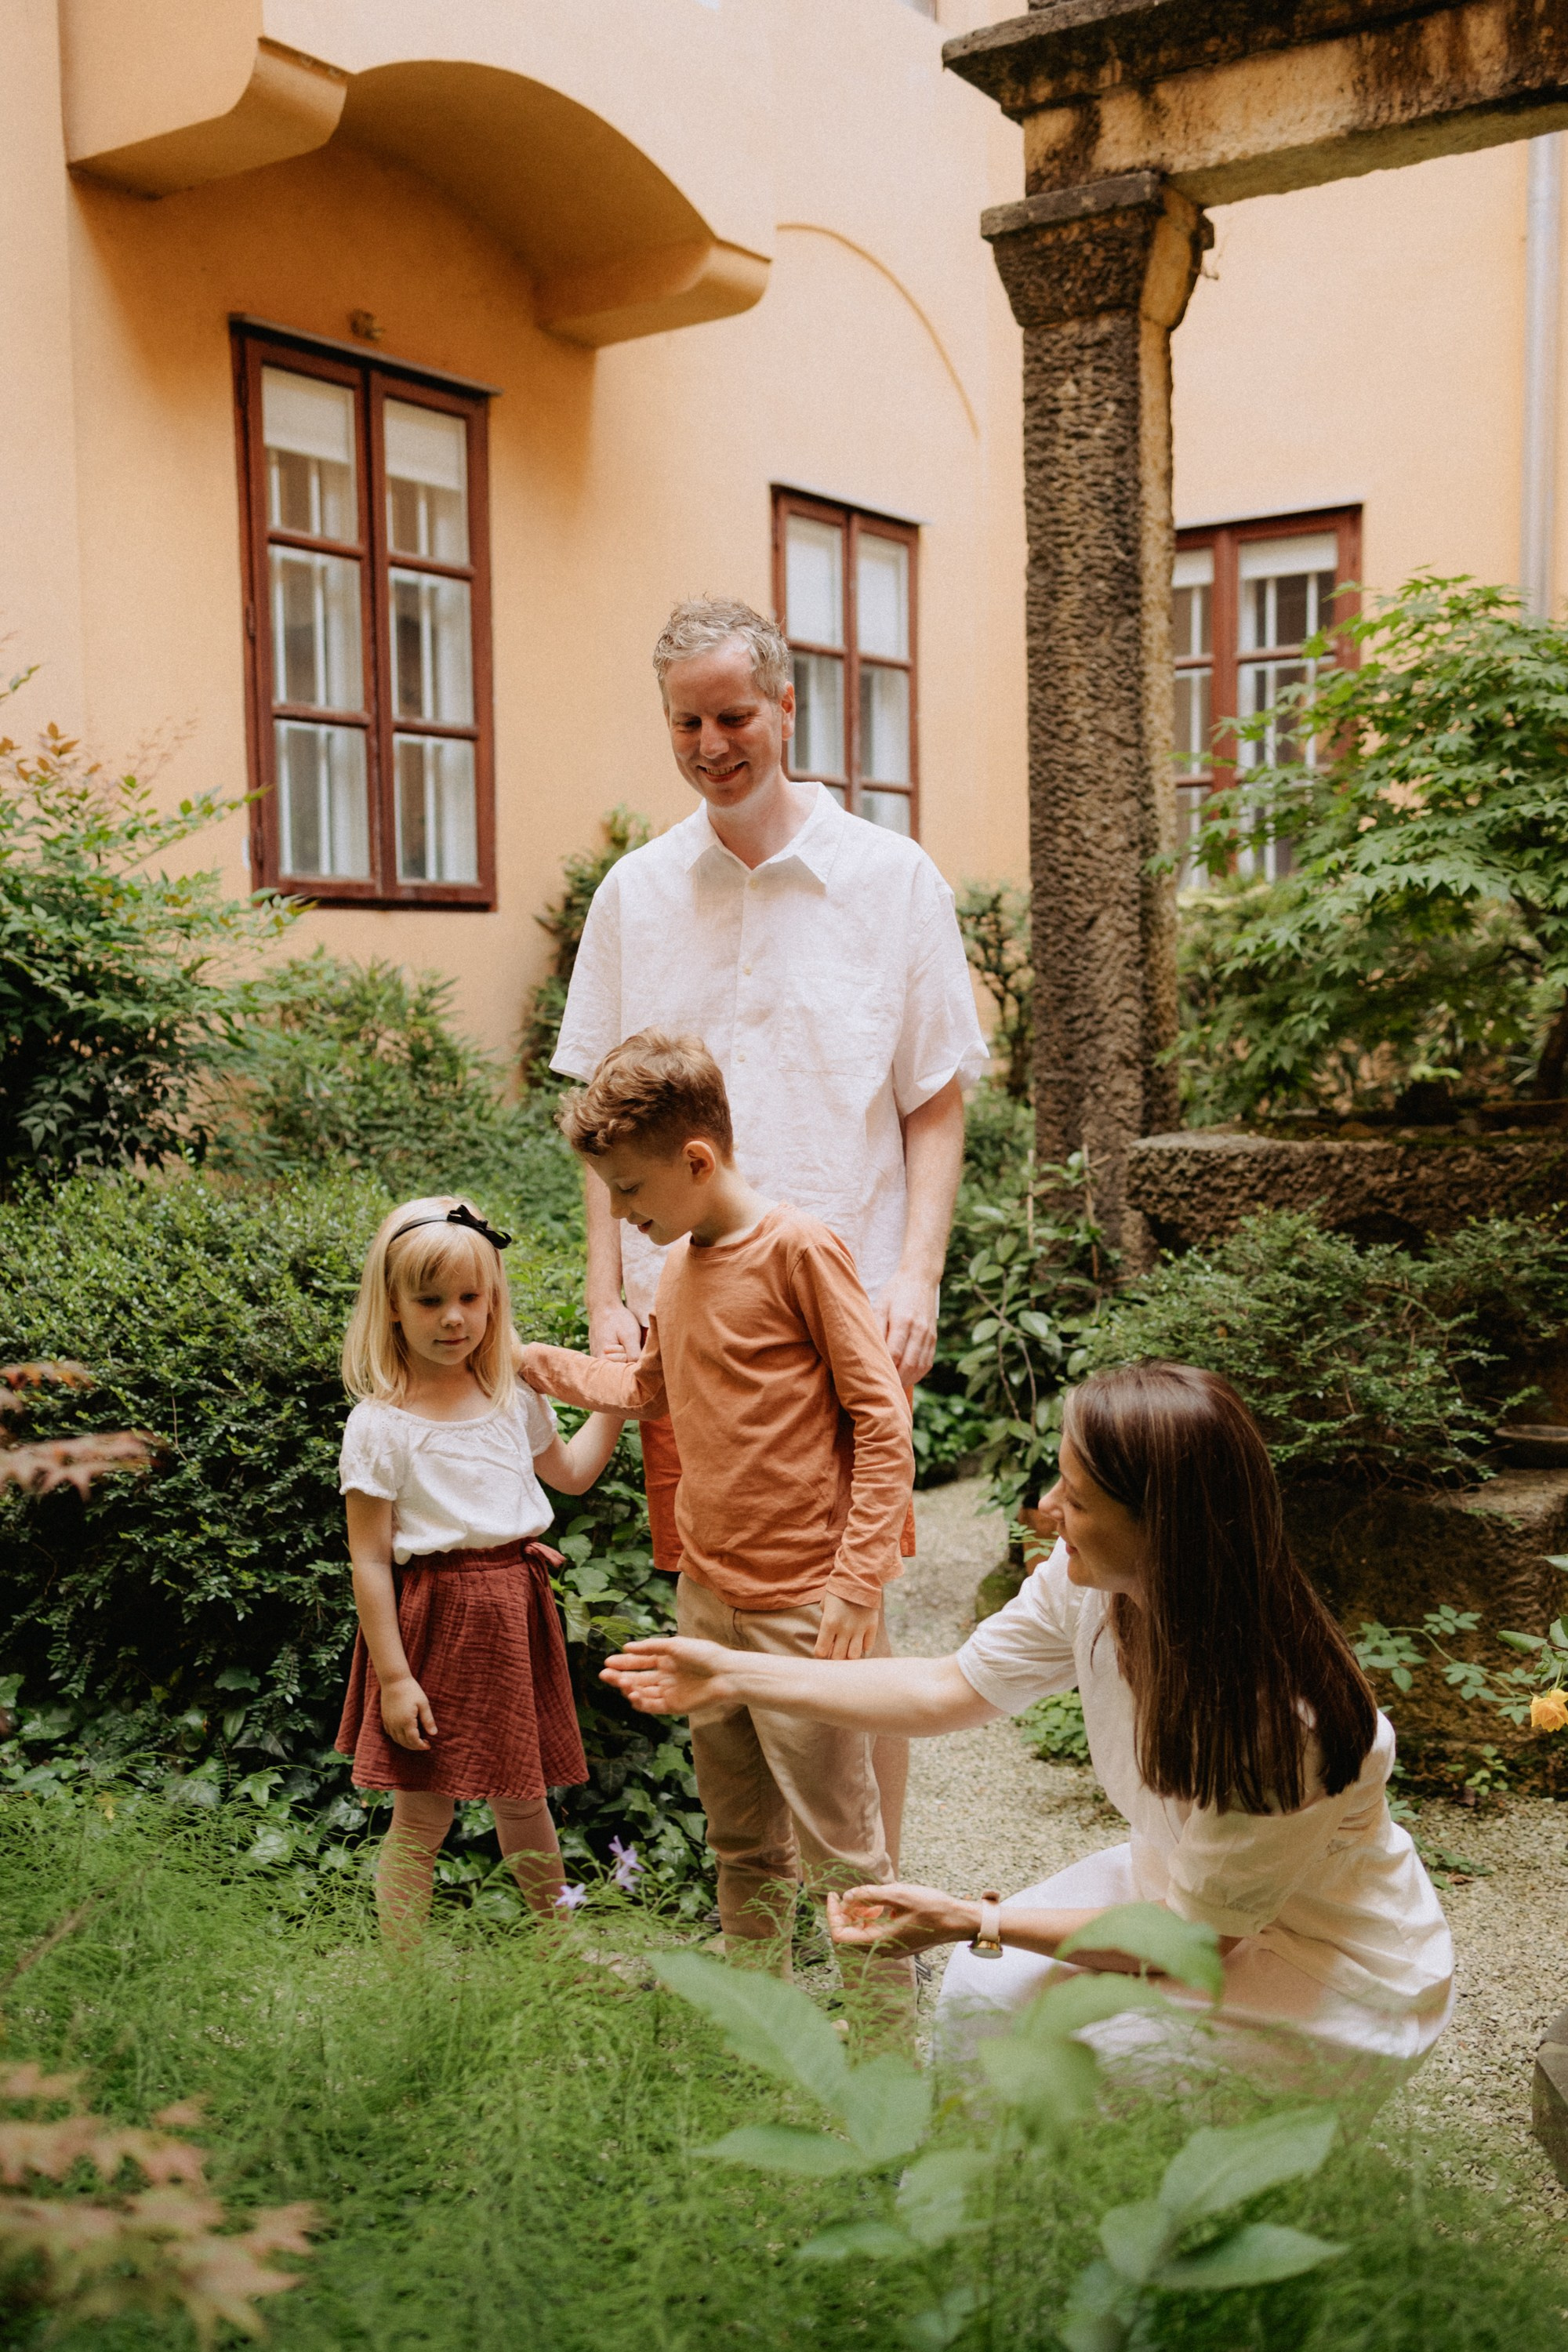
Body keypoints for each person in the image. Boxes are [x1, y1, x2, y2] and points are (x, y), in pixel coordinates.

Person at [600, 1362, 1457, 2097]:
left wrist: (970, 1916)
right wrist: (731, 1671)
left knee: (1078, 2061)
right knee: (982, 1997)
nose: (1046, 1510)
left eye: (1076, 1499)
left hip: (1326, 1967)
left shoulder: (1281, 1723)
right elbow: (946, 1688)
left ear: (1164, 1527)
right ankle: (984, 2231)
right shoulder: (1086, 1588)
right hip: (1181, 1897)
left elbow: (1193, 1943)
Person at [552, 596, 989, 1858]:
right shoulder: (635, 895)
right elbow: (597, 1123)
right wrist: (603, 1289)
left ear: (787, 707)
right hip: (685, 1322)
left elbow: (935, 1105)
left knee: (854, 1627)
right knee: (724, 1610)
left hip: (837, 1307)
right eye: (685, 720)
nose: (710, 743)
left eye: (734, 715)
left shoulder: (892, 880)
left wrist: (916, 1276)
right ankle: (764, 1913)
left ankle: (880, 1903)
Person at [517, 1033, 914, 1991]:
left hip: (804, 1610)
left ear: (697, 1160)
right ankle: (757, 2046)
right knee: (742, 1848)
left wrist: (856, 1586)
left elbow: (881, 1418)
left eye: (629, 1190)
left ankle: (885, 2073)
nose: (618, 1213)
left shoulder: (799, 1250)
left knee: (844, 1858)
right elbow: (649, 1389)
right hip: (708, 1605)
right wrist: (531, 1361)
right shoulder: (676, 1275)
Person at [335, 1193, 626, 1942]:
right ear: (392, 1307)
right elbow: (368, 1559)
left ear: (494, 1300)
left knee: (525, 1801)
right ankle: (401, 1972)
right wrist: (395, 1679)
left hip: (516, 1610)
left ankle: (560, 1955)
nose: (454, 1318)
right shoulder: (380, 1423)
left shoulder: (509, 1396)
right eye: (430, 1301)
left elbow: (572, 1475)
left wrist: (618, 1400)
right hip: (434, 1622)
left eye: (472, 1298)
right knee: (423, 1810)